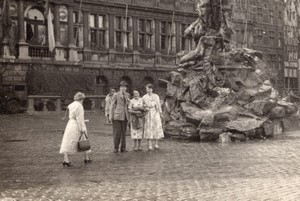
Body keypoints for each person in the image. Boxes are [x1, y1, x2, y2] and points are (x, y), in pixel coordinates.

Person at [59, 92, 92, 167]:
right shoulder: (79, 106)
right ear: (82, 99)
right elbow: (79, 118)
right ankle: (86, 158)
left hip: (70, 124)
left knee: (68, 141)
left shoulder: (71, 105)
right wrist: (82, 128)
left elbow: (70, 115)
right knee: (84, 140)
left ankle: (66, 159)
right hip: (77, 125)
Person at [109, 81, 130, 153]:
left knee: (124, 133)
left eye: (124, 87)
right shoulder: (116, 95)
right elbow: (112, 105)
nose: (123, 88)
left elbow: (128, 105)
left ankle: (123, 148)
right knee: (117, 132)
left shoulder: (127, 95)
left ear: (126, 88)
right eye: (122, 87)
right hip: (117, 116)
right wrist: (110, 116)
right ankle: (116, 147)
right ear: (119, 88)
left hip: (125, 116)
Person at [142, 84, 164, 150]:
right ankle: (150, 145)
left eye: (149, 89)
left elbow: (158, 105)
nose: (148, 90)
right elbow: (142, 105)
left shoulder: (156, 96)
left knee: (156, 127)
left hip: (155, 113)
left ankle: (156, 144)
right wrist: (144, 108)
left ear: (152, 89)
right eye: (147, 89)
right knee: (149, 128)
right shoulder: (144, 97)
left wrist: (160, 113)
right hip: (148, 113)